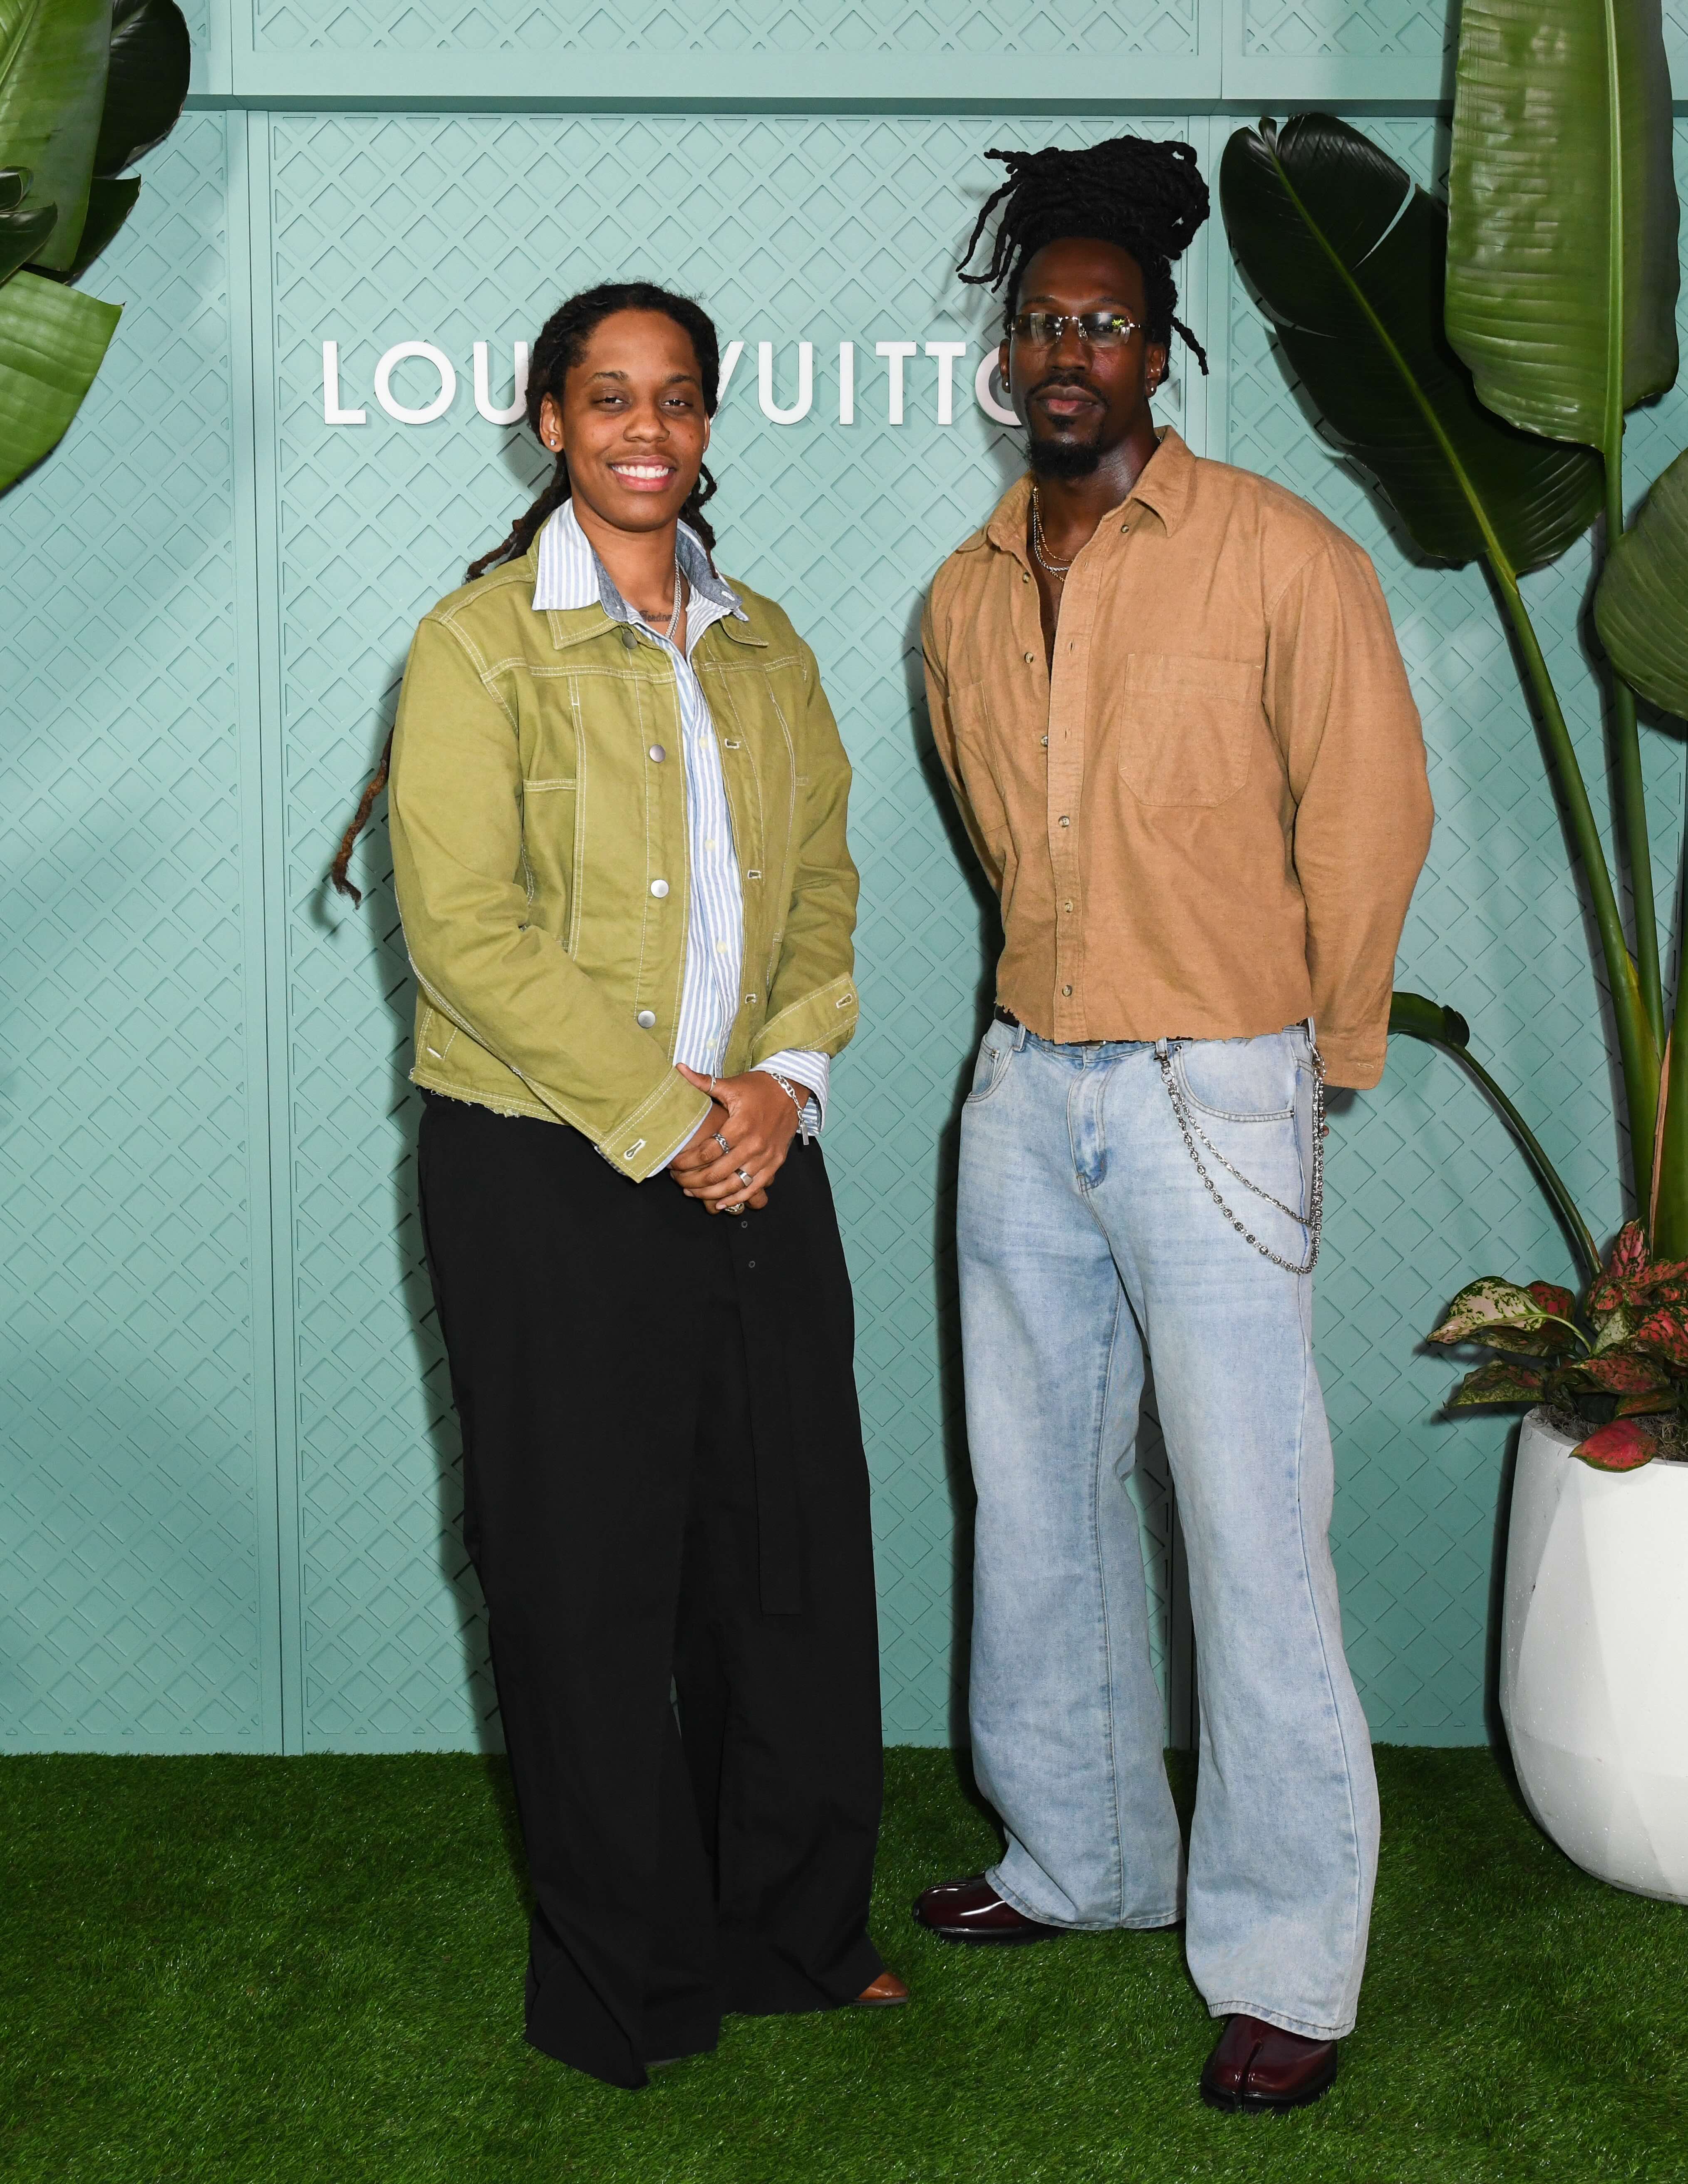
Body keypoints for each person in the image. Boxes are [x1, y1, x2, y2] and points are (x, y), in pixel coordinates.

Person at [335, 280, 905, 2089]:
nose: (643, 428)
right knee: (582, 1578)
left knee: (786, 1556)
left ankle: (794, 1939)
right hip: (546, 1165)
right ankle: (628, 1984)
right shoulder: (477, 645)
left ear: (707, 423)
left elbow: (823, 888)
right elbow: (466, 934)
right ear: (550, 422)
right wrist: (676, 1119)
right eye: (606, 396)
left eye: (673, 397)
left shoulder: (767, 645)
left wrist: (781, 1086)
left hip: (761, 1145)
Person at [915, 138, 1433, 2113]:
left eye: (1106, 322)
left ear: (1159, 348)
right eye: (1042, 319)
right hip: (1022, 1084)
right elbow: (1000, 836)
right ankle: (1086, 1854)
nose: (1070, 349)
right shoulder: (961, 593)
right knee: (1033, 1494)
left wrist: (1313, 1057)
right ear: (1008, 351)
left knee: (1246, 1523)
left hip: (1214, 1084)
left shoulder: (1284, 557)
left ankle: (1290, 1954)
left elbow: (1368, 809)